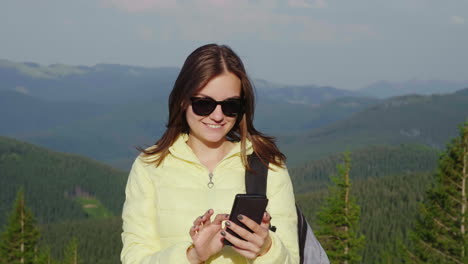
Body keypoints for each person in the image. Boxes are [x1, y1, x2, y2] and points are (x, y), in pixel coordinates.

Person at [121, 44, 299, 263]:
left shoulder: (269, 165)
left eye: (230, 105)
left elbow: (292, 258)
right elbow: (135, 258)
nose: (217, 115)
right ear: (182, 101)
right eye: (204, 104)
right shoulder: (149, 166)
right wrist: (193, 255)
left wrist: (266, 248)